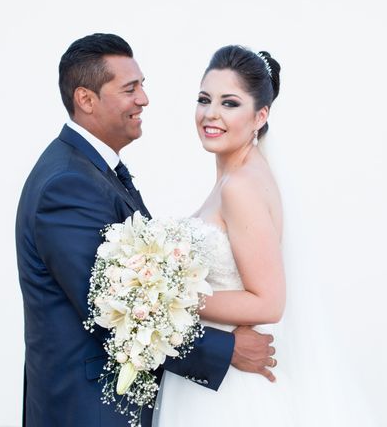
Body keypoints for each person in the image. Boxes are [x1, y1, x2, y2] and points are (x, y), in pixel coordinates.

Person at [15, 34, 275, 427]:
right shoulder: (67, 185)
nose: (144, 100)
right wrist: (226, 350)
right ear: (86, 100)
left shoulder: (94, 171)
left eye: (142, 86)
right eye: (130, 89)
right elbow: (110, 309)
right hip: (89, 409)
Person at [154, 45, 293, 426]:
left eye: (229, 103)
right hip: (211, 377)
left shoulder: (240, 187)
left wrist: (171, 296)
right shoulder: (237, 177)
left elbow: (268, 302)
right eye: (204, 99)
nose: (211, 114)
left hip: (228, 390)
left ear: (259, 116)